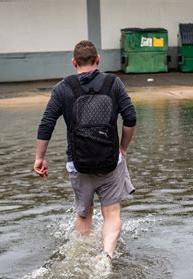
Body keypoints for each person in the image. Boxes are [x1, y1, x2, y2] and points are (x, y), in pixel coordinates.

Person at [34, 40, 136, 260]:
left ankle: (82, 256)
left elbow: (46, 124)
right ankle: (107, 256)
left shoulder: (63, 88)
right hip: (111, 161)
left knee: (84, 213)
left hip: (78, 163)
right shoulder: (113, 83)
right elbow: (131, 118)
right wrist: (122, 148)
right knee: (111, 212)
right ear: (98, 60)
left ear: (74, 63)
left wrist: (39, 158)